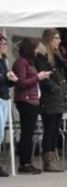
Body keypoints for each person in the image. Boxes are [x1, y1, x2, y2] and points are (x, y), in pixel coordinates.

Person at [13, 37, 52, 174]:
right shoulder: (21, 63)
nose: (36, 50)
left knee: (29, 133)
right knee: (27, 133)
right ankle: (25, 162)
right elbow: (21, 82)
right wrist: (38, 77)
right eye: (35, 48)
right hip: (26, 100)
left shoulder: (30, 62)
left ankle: (27, 161)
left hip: (33, 100)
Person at [36, 28, 67, 172]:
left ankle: (52, 157)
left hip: (58, 96)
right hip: (49, 97)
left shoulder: (55, 56)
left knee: (55, 129)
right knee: (49, 129)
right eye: (56, 38)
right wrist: (55, 88)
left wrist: (60, 55)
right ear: (49, 40)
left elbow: (66, 70)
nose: (59, 41)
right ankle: (48, 160)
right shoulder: (42, 57)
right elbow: (44, 78)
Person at [0, 33, 19, 177]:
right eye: (4, 44)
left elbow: (7, 82)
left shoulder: (4, 62)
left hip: (5, 97)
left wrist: (11, 80)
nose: (6, 47)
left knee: (0, 134)